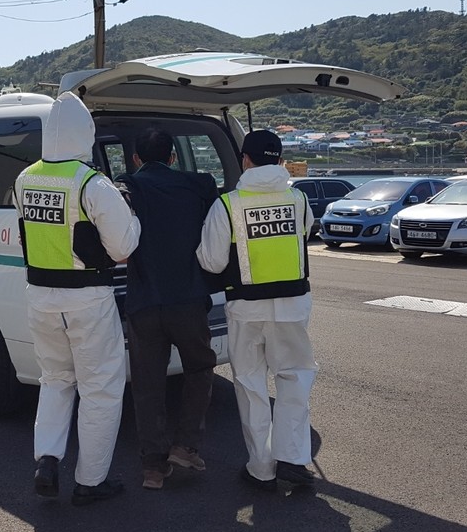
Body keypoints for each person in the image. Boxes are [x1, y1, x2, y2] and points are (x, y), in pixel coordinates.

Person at [13, 91, 140, 506]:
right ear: (86, 134)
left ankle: (47, 458)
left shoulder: (24, 178)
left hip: (40, 298)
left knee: (55, 380)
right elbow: (123, 247)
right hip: (88, 299)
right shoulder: (93, 183)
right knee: (100, 388)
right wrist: (130, 214)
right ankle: (91, 480)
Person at [196, 129, 319, 492]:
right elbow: (304, 234)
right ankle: (294, 461)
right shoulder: (298, 200)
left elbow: (213, 262)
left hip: (246, 309)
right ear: (280, 161)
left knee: (251, 385)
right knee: (294, 380)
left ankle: (262, 469)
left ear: (245, 160)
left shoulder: (228, 204)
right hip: (294, 306)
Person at [117, 128, 219, 490]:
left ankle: (152, 468)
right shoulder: (199, 186)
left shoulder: (128, 186)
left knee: (147, 384)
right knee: (201, 367)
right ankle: (186, 445)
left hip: (144, 302)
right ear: (174, 157)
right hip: (189, 299)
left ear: (135, 159)